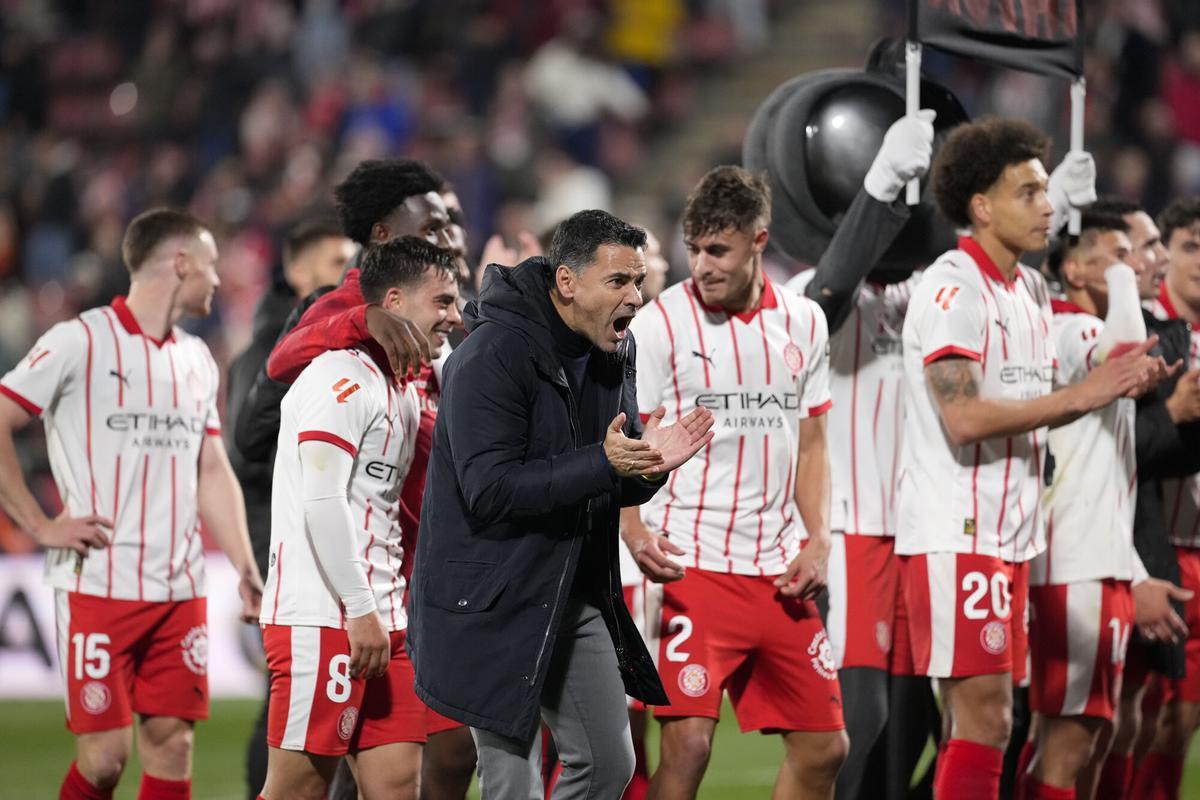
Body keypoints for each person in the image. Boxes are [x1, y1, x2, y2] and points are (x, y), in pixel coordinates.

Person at [895, 118, 1171, 800]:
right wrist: (1084, 396)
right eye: (1029, 192)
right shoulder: (952, 286)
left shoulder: (1026, 292)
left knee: (992, 722)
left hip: (1010, 539)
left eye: (1046, 191)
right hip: (956, 533)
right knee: (986, 719)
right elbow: (962, 417)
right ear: (982, 205)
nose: (1049, 206)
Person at [407, 209, 714, 799]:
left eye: (638, 280)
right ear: (567, 283)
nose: (637, 296)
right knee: (512, 784)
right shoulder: (490, 355)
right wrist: (607, 463)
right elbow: (490, 490)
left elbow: (611, 470)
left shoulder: (613, 348)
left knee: (608, 764)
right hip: (489, 599)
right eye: (618, 282)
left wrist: (648, 468)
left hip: (571, 589)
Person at [0, 208, 262, 800]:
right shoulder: (78, 340)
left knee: (173, 746)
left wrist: (245, 566)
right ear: (180, 263)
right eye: (211, 266)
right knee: (104, 761)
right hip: (98, 586)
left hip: (180, 588)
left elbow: (211, 468)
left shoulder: (195, 358)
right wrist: (40, 525)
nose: (217, 281)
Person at [624, 165, 847, 800]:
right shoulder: (661, 324)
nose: (702, 265)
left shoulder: (804, 322)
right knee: (689, 745)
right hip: (691, 568)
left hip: (777, 569)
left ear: (758, 241)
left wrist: (819, 539)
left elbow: (812, 442)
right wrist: (633, 526)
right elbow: (626, 437)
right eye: (693, 249)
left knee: (824, 745)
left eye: (717, 249)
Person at [257, 237, 459, 800]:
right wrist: (361, 608)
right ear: (393, 301)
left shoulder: (405, 387)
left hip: (387, 617)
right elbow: (323, 501)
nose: (454, 315)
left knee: (397, 787)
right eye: (442, 301)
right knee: (296, 791)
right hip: (326, 616)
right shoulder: (335, 379)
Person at [785, 110, 935, 800]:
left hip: (924, 533)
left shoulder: (927, 293)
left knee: (916, 725)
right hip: (849, 531)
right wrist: (878, 189)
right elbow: (827, 302)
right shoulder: (805, 293)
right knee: (859, 720)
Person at [1017, 210, 1190, 800]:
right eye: (1118, 255)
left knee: (1088, 732)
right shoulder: (1070, 330)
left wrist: (1134, 570)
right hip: (1073, 564)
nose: (1137, 263)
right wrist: (1120, 280)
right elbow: (1120, 347)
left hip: (1099, 561)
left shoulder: (1087, 336)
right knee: (1069, 737)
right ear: (1075, 270)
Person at [227, 219, 357, 800]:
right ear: (298, 272)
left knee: (316, 706)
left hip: (320, 535)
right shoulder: (266, 348)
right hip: (282, 539)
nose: (347, 277)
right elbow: (246, 453)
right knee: (287, 708)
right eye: (336, 265)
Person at [1082, 197, 1200, 800]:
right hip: (1150, 549)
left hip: (1159, 551)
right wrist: (1176, 416)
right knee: (1113, 722)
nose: (1156, 259)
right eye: (1186, 246)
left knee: (1150, 721)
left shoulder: (1171, 334)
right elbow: (1119, 458)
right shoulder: (1124, 339)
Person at [1133, 195, 1200, 799]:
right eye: (1190, 246)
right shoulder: (1147, 334)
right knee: (1158, 721)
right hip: (1167, 550)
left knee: (1183, 723)